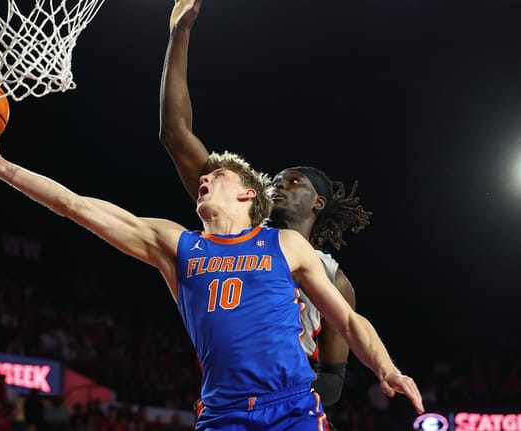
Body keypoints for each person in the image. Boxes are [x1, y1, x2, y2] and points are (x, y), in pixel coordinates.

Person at [0, 131, 424, 430]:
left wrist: (386, 368)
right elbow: (74, 205)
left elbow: (349, 321)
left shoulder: (284, 244)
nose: (204, 180)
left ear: (248, 194)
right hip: (222, 414)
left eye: (218, 176)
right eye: (202, 179)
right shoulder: (177, 245)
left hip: (291, 408)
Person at [159, 0, 372, 409]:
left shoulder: (333, 278)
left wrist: (285, 399)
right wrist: (179, 33)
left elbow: (332, 380)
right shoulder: (237, 219)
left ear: (318, 203)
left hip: (287, 403)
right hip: (229, 395)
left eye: (294, 181)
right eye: (277, 179)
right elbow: (176, 133)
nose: (279, 184)